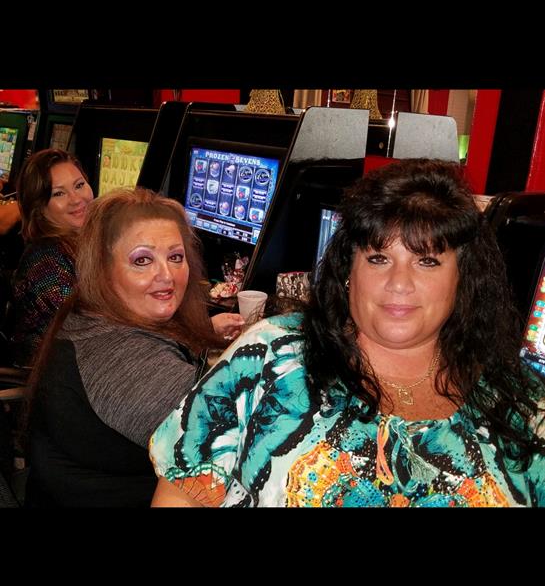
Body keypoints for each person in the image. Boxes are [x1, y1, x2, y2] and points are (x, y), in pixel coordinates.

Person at [150, 159, 545, 507]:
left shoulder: (519, 402)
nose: (399, 282)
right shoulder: (271, 356)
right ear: (347, 273)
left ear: (463, 280)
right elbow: (181, 494)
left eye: (426, 261)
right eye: (378, 258)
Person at [25, 187, 244, 507]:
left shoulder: (90, 316)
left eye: (175, 257)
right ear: (103, 268)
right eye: (142, 260)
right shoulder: (127, 366)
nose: (166, 275)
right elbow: (255, 444)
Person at [11, 149, 95, 364]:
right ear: (39, 207)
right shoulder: (49, 265)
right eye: (59, 193)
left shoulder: (79, 243)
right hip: (58, 380)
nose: (77, 199)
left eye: (79, 185)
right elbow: (85, 338)